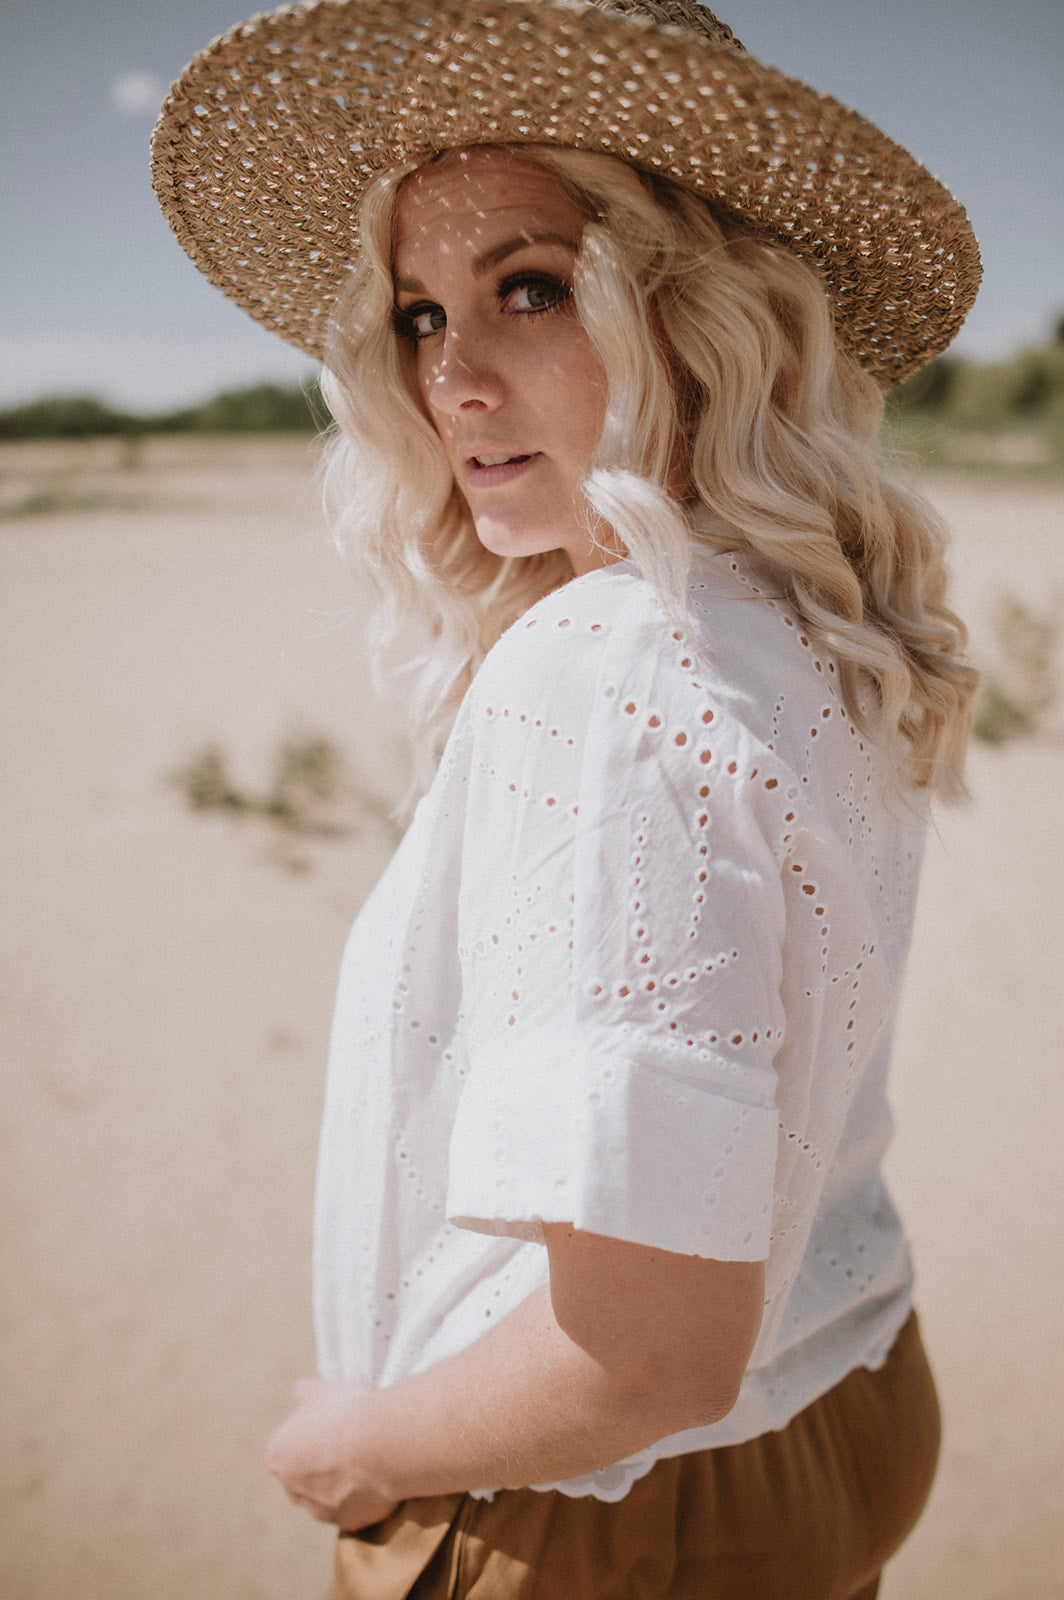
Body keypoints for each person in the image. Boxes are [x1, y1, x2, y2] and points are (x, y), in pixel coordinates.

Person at [152, 3, 981, 1595]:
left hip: (598, 1508)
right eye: (418, 314)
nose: (451, 379)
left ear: (695, 317)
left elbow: (646, 1355)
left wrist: (362, 1448)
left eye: (528, 288)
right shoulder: (808, 620)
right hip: (851, 1392)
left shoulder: (608, 668)